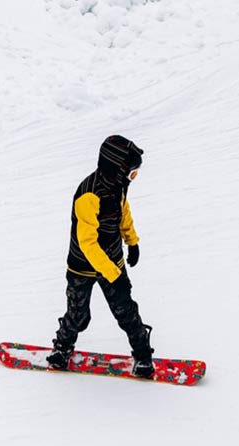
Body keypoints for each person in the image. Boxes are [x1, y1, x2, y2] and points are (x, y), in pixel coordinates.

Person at [46, 135, 155, 378]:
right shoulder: (89, 195)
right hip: (81, 266)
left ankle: (143, 354)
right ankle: (62, 347)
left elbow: (123, 213)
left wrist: (132, 241)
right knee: (77, 315)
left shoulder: (118, 188)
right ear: (116, 168)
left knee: (125, 310)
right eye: (131, 173)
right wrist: (113, 273)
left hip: (112, 261)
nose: (132, 179)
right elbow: (88, 243)